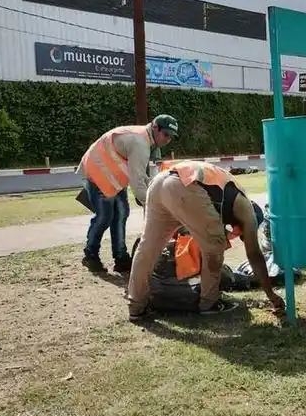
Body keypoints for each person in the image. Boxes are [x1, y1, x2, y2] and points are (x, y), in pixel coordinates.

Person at [126, 160, 285, 321]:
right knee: (215, 246)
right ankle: (209, 304)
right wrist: (271, 295)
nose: (243, 237)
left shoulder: (226, 196)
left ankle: (136, 306)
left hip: (160, 182)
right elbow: (254, 255)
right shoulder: (248, 212)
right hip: (184, 185)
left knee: (148, 248)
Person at [78, 114, 178, 274]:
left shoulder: (149, 143)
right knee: (105, 217)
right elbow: (137, 181)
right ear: (154, 128)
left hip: (114, 177)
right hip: (97, 173)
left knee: (122, 214)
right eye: (165, 134)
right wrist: (152, 204)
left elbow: (144, 177)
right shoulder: (140, 143)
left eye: (171, 137)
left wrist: (151, 197)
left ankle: (121, 258)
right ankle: (90, 255)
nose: (167, 139)